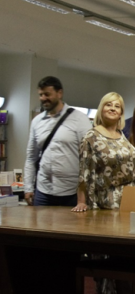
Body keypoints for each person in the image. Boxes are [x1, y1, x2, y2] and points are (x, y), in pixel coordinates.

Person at [23, 76, 90, 207]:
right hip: (43, 192)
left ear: (59, 93)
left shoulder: (79, 119)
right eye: (41, 95)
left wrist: (85, 193)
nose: (43, 98)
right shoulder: (37, 122)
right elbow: (31, 157)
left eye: (47, 94)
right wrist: (28, 188)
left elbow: (89, 158)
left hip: (71, 193)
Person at [72, 92, 135, 212]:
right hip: (107, 203)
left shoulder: (122, 135)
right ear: (101, 109)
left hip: (130, 199)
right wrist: (81, 202)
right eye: (108, 105)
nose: (113, 108)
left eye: (117, 106)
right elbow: (84, 173)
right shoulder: (91, 137)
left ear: (121, 113)